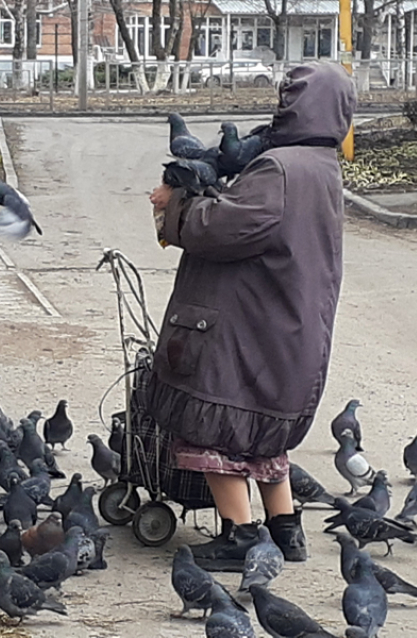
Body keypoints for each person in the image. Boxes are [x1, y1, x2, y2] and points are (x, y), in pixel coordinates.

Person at [147, 62, 356, 572]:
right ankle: (284, 529)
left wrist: (176, 205)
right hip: (287, 322)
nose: (279, 103)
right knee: (261, 431)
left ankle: (240, 535)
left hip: (250, 324)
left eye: (288, 96)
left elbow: (222, 229)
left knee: (216, 426)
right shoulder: (320, 164)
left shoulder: (280, 168)